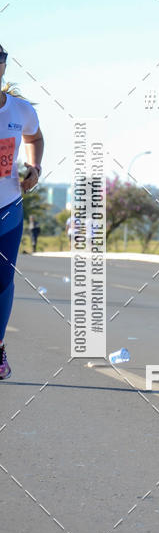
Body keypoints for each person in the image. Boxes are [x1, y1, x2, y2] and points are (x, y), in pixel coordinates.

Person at [0, 44, 44, 379]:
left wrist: (34, 166)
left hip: (8, 205)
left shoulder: (20, 111)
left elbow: (35, 137)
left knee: (2, 281)